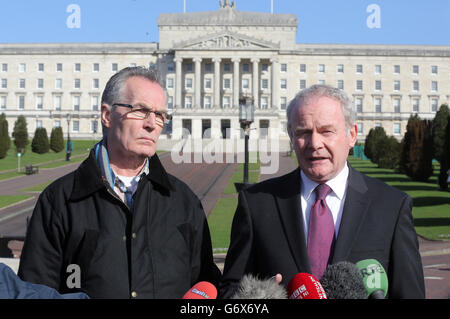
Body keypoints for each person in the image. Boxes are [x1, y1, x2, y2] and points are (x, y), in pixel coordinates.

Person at [18, 66, 221, 298]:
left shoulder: (184, 201)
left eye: (160, 115)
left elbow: (205, 283)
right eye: (140, 110)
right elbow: (34, 289)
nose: (152, 124)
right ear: (106, 115)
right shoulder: (59, 200)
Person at [220, 84, 425, 299]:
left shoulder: (391, 206)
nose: (315, 143)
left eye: (326, 131)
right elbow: (231, 289)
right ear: (291, 136)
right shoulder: (257, 204)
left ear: (352, 135)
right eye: (303, 132)